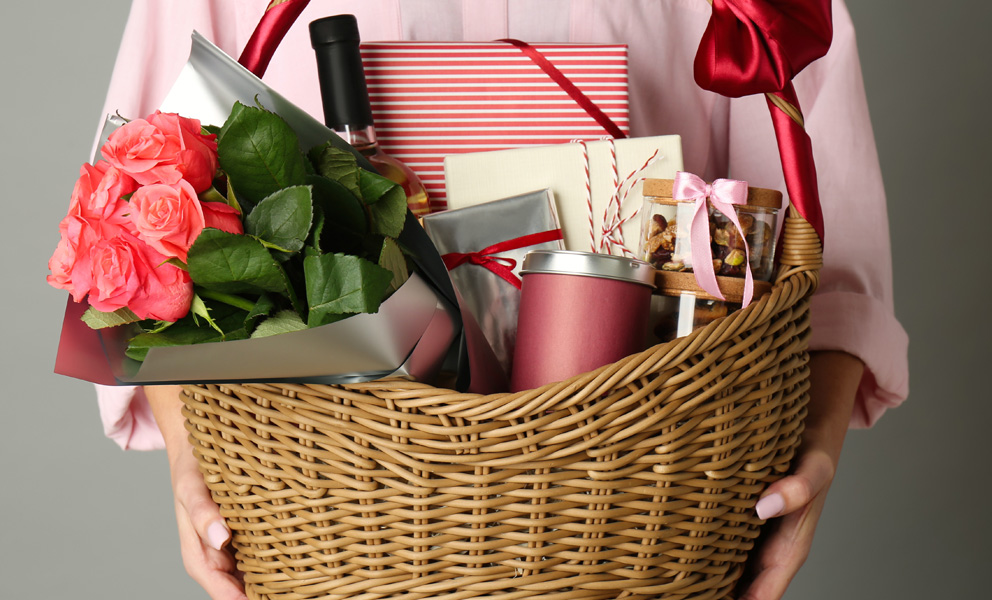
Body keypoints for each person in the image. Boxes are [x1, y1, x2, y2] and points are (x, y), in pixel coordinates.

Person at [93, 1, 909, 600]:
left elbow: (826, 273)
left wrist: (815, 450)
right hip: (344, 518)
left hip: (635, 511)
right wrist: (194, 463)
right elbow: (131, 241)